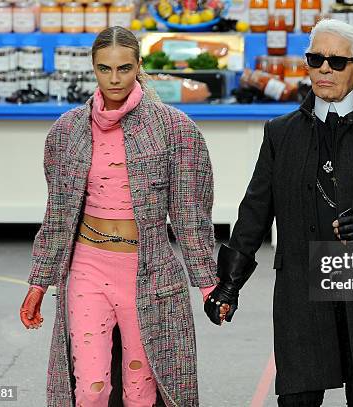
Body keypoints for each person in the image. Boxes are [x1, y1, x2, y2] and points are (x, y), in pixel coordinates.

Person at [204, 19, 353, 407]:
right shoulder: (280, 133)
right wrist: (229, 283)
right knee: (297, 398)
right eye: (316, 59)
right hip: (301, 289)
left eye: (337, 62)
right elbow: (254, 213)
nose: (325, 68)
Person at [19, 26, 219, 407]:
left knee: (141, 392)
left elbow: (191, 214)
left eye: (124, 69)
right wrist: (38, 283)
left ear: (139, 66)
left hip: (145, 270)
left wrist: (209, 284)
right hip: (86, 267)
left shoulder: (175, 130)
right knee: (89, 390)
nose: (114, 79)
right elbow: (58, 216)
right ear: (93, 68)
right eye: (104, 69)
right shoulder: (66, 131)